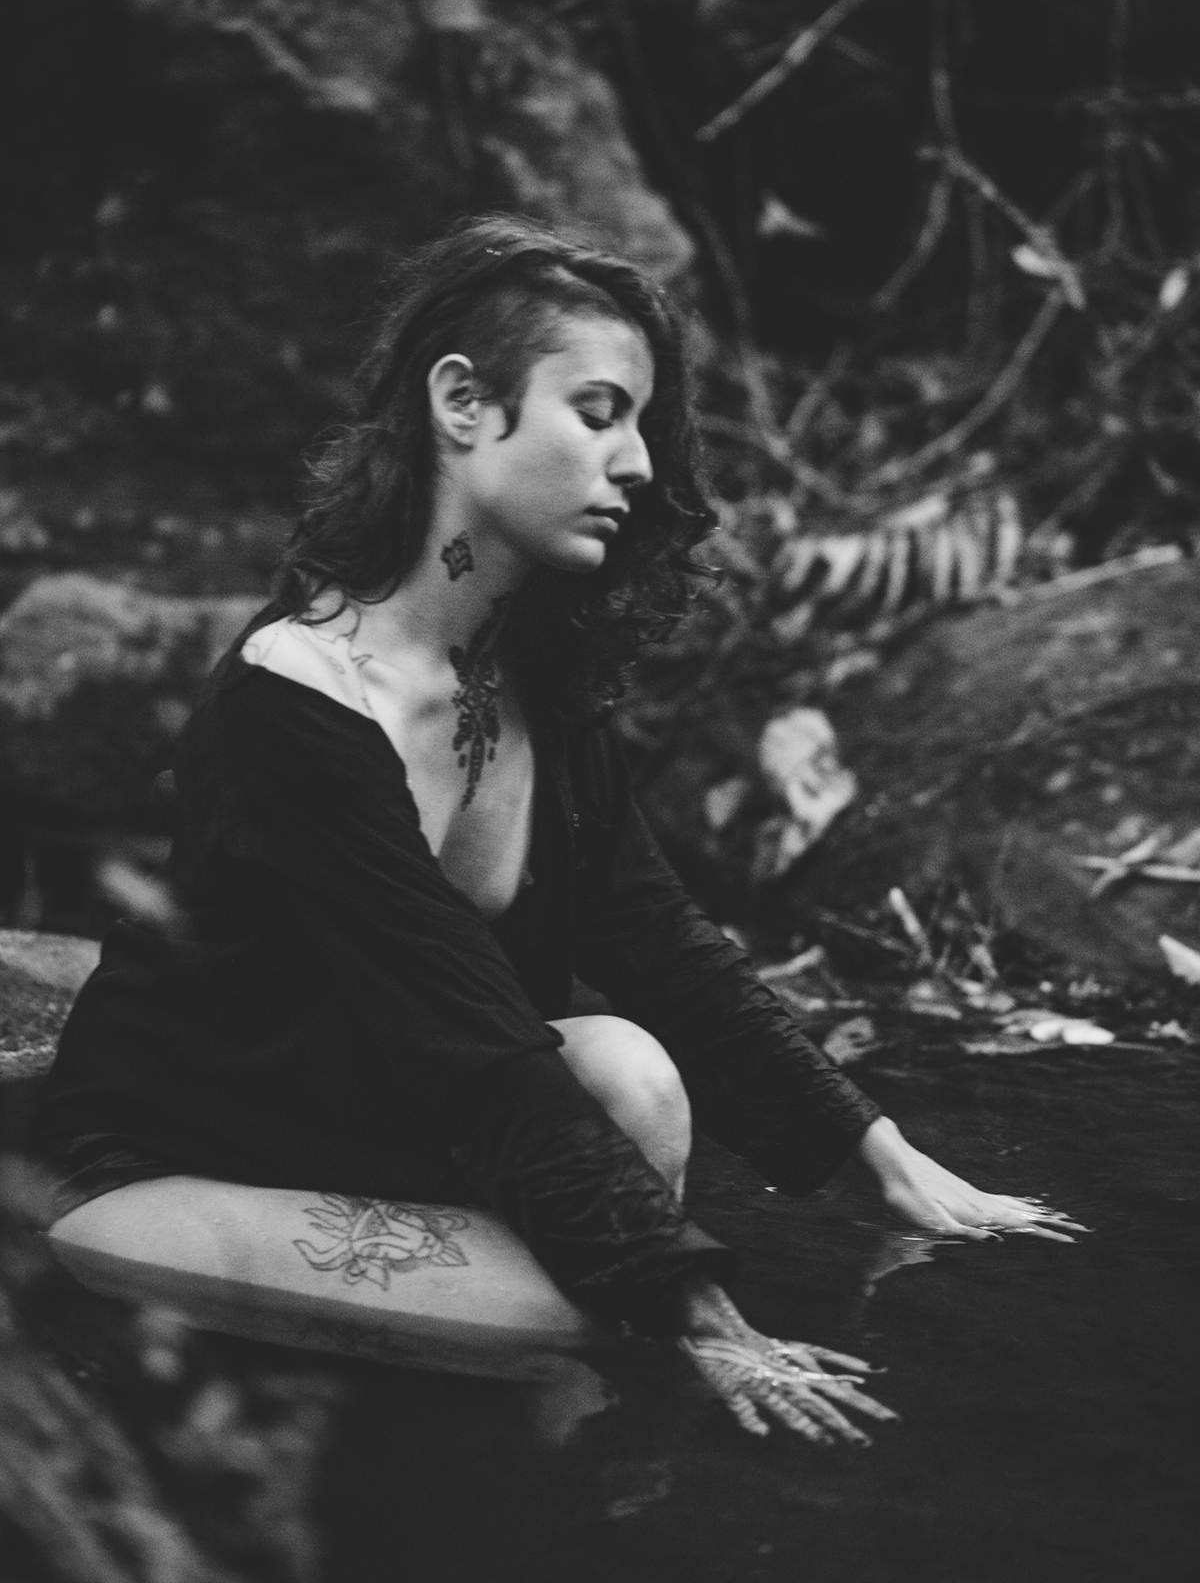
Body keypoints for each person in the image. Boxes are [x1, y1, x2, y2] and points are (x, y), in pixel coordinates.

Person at [34, 216, 1078, 1444]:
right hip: (164, 1169)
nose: (636, 463)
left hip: (363, 1121)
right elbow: (472, 1038)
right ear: (463, 405)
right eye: (598, 414)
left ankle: (461, 1432)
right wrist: (705, 1320)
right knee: (585, 1311)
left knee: (632, 1069)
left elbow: (664, 944)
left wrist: (894, 1167)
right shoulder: (295, 704)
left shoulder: (528, 672)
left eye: (642, 424)